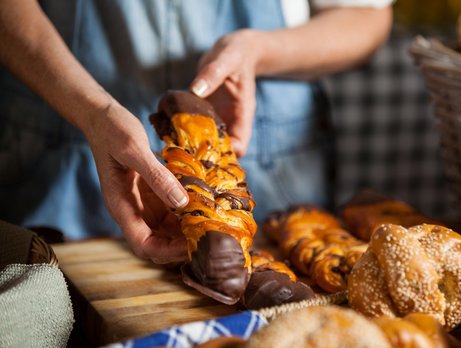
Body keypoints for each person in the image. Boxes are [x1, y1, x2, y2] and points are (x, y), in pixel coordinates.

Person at [0, 0, 392, 264]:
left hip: (272, 173)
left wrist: (259, 50)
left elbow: (363, 16)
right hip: (62, 159)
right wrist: (91, 110)